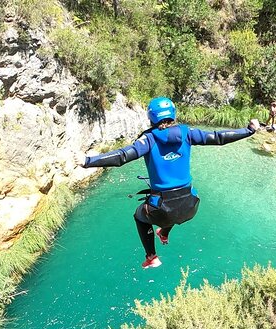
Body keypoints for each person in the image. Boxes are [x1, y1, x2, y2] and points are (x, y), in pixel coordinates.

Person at [77, 97, 260, 269]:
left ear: (151, 117)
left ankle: (152, 257)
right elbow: (218, 137)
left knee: (141, 216)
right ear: (173, 115)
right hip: (191, 206)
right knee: (171, 205)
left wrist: (88, 161)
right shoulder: (187, 133)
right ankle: (164, 233)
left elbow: (122, 156)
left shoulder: (149, 139)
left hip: (162, 210)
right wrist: (249, 130)